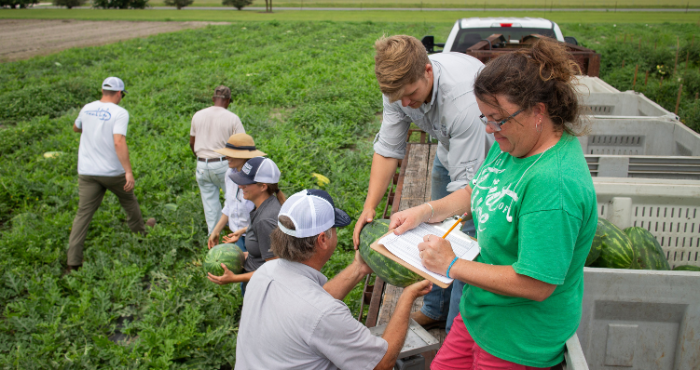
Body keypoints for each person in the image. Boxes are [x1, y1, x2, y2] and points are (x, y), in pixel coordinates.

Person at [389, 38, 598, 369]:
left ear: (538, 112)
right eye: (484, 117)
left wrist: (452, 264)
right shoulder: (514, 141)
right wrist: (426, 211)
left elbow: (537, 283)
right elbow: (480, 190)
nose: (489, 129)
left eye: (496, 119)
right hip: (480, 314)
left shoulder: (554, 185)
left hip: (518, 339)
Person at [353, 34, 492, 331]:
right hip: (448, 146)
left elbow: (469, 194)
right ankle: (436, 309)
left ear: (427, 71)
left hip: (485, 156)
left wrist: (428, 210)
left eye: (411, 94)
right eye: (397, 98)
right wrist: (369, 206)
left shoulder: (463, 103)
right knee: (435, 228)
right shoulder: (399, 88)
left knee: (465, 237)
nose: (405, 104)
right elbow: (389, 148)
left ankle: (456, 328)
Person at [235, 189, 432, 370]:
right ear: (322, 240)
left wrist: (358, 269)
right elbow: (381, 363)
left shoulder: (265, 272)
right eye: (334, 228)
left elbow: (313, 305)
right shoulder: (324, 313)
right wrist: (407, 296)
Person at [67, 77, 155, 272]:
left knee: (83, 214)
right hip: (112, 172)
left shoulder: (87, 108)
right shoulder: (119, 113)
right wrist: (128, 172)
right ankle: (141, 235)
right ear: (118, 93)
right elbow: (118, 141)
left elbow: (76, 128)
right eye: (122, 95)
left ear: (102, 90)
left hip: (87, 171)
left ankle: (73, 261)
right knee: (129, 201)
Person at [207, 157, 285, 295]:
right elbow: (264, 251)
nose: (240, 186)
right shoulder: (267, 205)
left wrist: (234, 278)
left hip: (264, 291)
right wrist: (245, 234)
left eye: (246, 183)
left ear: (263, 186)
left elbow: (274, 270)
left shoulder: (265, 220)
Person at [190, 85, 246, 234]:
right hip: (224, 164)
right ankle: (238, 234)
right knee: (235, 200)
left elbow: (192, 142)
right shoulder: (232, 118)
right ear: (228, 101)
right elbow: (242, 144)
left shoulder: (198, 115)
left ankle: (213, 239)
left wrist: (202, 158)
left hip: (202, 164)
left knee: (210, 205)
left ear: (213, 99)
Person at [207, 133, 267, 253]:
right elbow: (229, 205)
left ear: (244, 157)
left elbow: (265, 217)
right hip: (236, 236)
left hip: (255, 236)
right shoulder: (229, 174)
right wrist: (216, 230)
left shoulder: (257, 180)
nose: (226, 157)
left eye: (231, 154)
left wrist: (245, 230)